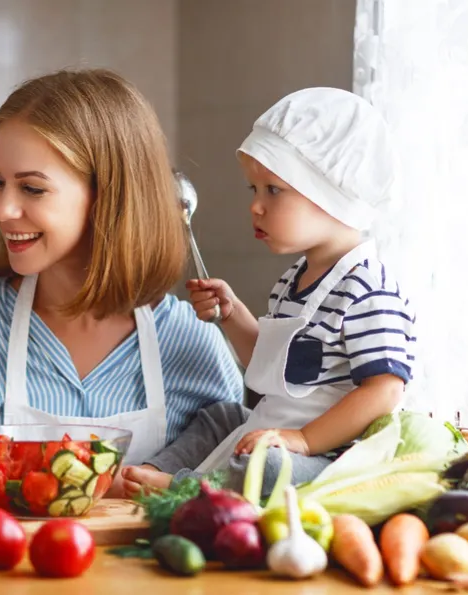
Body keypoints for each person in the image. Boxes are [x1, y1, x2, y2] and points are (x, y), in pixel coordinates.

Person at [0, 69, 245, 507]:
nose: (1, 208)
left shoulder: (194, 344)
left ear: (109, 196)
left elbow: (231, 504)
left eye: (32, 188)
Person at [122, 87, 416, 497]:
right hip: (279, 427)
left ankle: (182, 489)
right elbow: (275, 371)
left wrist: (305, 440)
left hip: (329, 455)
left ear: (330, 195)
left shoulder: (368, 288)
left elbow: (385, 390)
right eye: (253, 191)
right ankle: (148, 473)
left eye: (273, 190)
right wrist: (232, 314)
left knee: (272, 466)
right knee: (222, 416)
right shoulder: (295, 279)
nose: (255, 207)